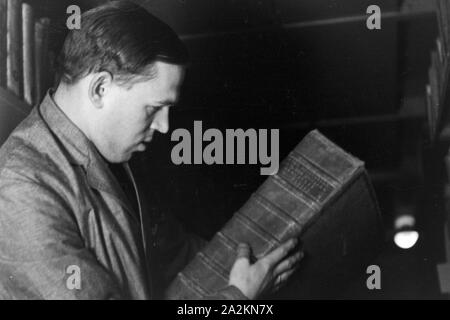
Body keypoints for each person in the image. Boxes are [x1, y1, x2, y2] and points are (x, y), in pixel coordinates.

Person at [0, 0, 302, 299]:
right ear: (100, 89)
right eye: (154, 108)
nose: (164, 127)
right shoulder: (21, 188)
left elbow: (177, 253)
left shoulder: (113, 152)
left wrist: (259, 262)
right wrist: (237, 299)